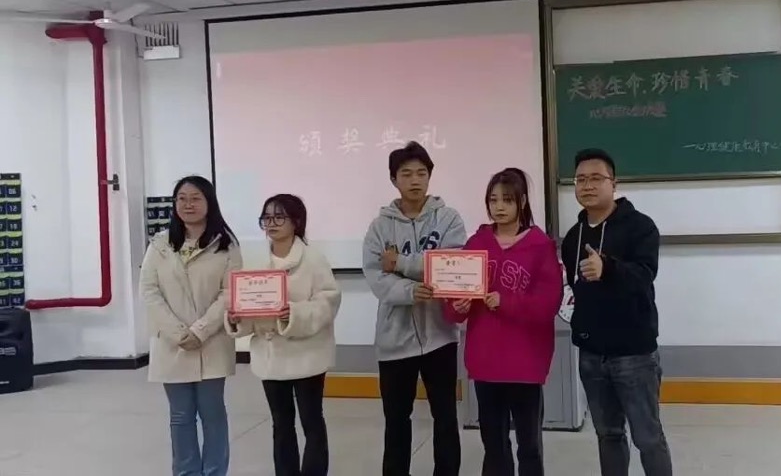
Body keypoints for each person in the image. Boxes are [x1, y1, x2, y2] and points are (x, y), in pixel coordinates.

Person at [560, 149, 673, 476]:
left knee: (648, 437)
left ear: (614, 183)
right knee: (608, 434)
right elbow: (574, 288)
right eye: (581, 179)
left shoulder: (640, 227)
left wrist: (607, 268)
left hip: (634, 353)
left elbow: (644, 275)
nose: (587, 186)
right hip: (591, 353)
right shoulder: (574, 237)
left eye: (596, 178)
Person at [445, 168, 563, 476]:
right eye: (493, 200)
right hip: (485, 362)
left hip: (526, 363)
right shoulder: (476, 244)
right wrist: (457, 306)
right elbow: (454, 304)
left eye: (507, 200)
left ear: (522, 202)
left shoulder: (541, 246)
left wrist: (506, 301)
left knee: (529, 446)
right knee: (494, 445)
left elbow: (549, 304)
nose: (499, 207)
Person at [362, 141, 467, 476]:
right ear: (394, 179)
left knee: (445, 416)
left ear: (429, 176)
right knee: (396, 420)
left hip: (441, 336)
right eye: (406, 174)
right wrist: (410, 290)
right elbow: (376, 276)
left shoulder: (448, 219)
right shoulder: (379, 227)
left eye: (421, 173)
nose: (415, 180)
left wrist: (402, 263)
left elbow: (451, 263)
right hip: (394, 341)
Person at [225, 194, 341, 476]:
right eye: (266, 218)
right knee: (281, 423)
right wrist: (237, 318)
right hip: (271, 357)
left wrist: (296, 314)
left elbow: (329, 301)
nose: (271, 223)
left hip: (307, 354)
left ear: (296, 221)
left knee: (312, 421)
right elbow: (247, 305)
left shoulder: (313, 259)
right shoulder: (256, 261)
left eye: (279, 217)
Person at [139, 175, 242, 476]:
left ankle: (214, 472)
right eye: (182, 199)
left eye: (196, 198)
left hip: (211, 342)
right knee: (180, 417)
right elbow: (149, 291)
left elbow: (229, 292)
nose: (188, 204)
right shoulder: (160, 244)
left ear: (209, 202)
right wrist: (178, 332)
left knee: (213, 415)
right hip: (173, 345)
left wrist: (200, 330)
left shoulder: (226, 244)